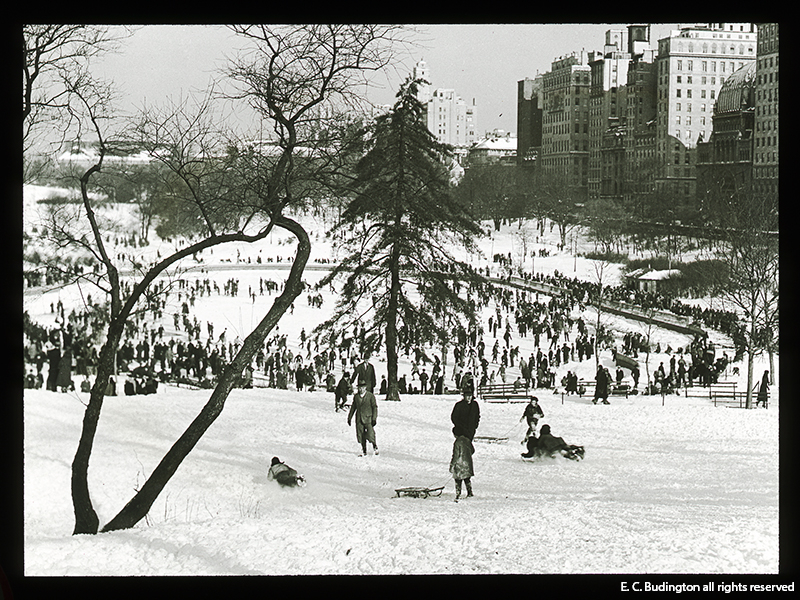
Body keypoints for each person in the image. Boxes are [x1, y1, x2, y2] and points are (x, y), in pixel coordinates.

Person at [449, 376, 480, 499]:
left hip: (470, 433)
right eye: (467, 396)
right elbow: (454, 418)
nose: (469, 397)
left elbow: (477, 417)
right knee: (463, 448)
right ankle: (464, 491)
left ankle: (466, 491)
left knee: (464, 449)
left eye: (470, 395)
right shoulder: (459, 405)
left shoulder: (475, 405)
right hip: (462, 431)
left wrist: (474, 426)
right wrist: (460, 427)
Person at [347, 377, 378, 456]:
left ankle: (374, 445)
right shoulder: (356, 397)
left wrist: (374, 418)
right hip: (359, 418)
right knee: (360, 435)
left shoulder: (370, 396)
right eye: (359, 388)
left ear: (365, 388)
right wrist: (349, 417)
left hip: (368, 418)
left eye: (362, 388)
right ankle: (364, 450)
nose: (361, 389)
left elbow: (374, 407)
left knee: (370, 434)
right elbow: (353, 407)